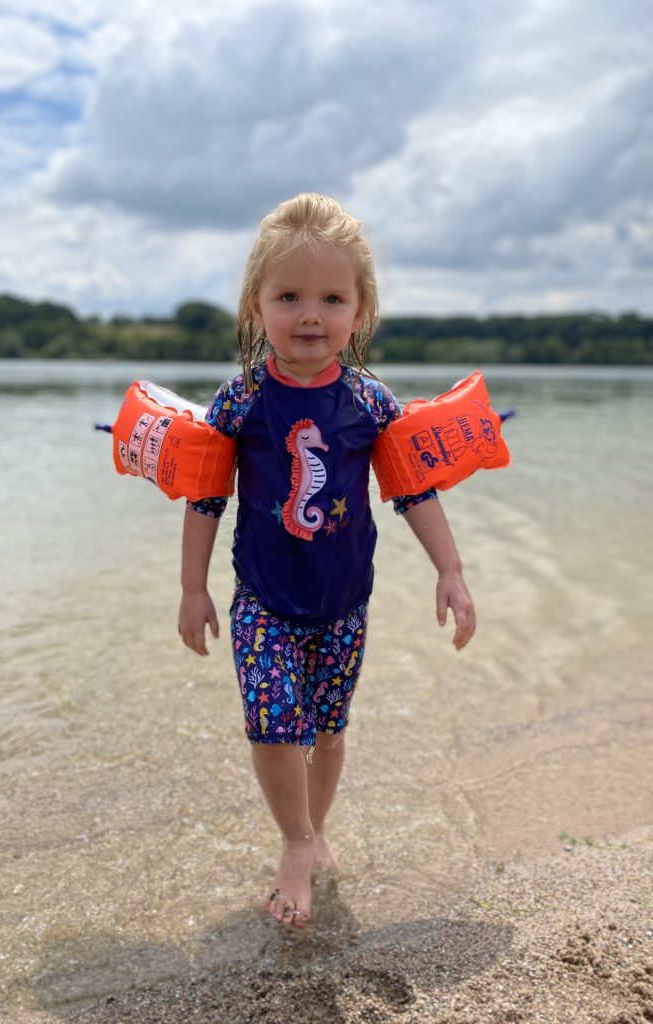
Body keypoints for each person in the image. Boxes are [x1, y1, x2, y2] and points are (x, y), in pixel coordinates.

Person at [178, 193, 475, 929]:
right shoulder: (240, 399)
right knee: (274, 725)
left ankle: (314, 831)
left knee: (329, 730)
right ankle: (295, 841)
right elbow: (205, 499)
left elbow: (415, 492)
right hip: (264, 601)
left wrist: (452, 571)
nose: (310, 314)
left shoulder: (371, 402)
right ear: (256, 307)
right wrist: (193, 588)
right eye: (289, 296)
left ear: (360, 310)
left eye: (331, 298)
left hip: (344, 603)